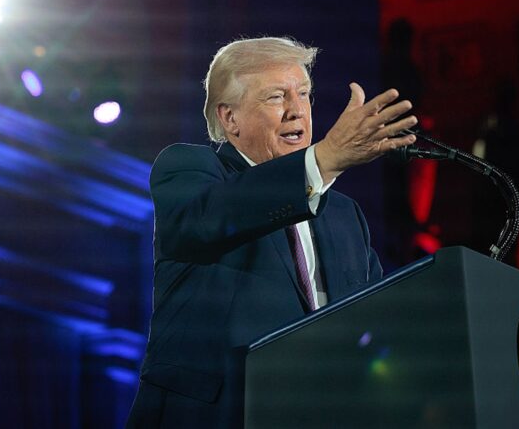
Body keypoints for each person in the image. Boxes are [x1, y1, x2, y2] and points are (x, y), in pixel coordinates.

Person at [126, 37, 417, 428]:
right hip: (216, 415)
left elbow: (380, 322)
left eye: (304, 94)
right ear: (230, 119)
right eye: (276, 97)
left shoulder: (345, 216)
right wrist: (324, 159)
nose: (297, 111)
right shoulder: (189, 170)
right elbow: (217, 216)